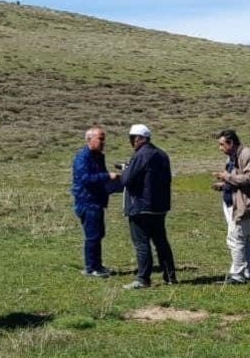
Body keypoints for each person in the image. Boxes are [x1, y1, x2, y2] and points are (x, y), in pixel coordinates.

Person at [121, 124, 176, 289]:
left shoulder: (140, 155)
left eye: (133, 138)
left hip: (141, 205)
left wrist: (125, 170)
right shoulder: (162, 154)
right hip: (160, 206)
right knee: (161, 242)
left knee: (141, 243)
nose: (132, 142)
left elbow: (127, 180)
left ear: (139, 138)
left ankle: (143, 278)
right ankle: (170, 276)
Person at [211, 129, 250, 285]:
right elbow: (236, 178)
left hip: (246, 204)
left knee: (235, 238)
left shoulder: (247, 155)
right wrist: (223, 185)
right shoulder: (232, 157)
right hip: (234, 203)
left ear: (231, 143)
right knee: (244, 238)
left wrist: (227, 177)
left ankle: (237, 275)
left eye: (222, 144)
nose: (220, 148)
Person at [71, 126, 123, 277]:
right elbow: (85, 179)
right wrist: (107, 176)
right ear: (90, 139)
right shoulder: (82, 157)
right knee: (92, 235)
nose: (103, 142)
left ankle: (97, 265)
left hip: (97, 201)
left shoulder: (99, 156)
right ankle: (90, 268)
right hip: (87, 202)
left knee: (98, 234)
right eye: (100, 139)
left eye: (103, 139)